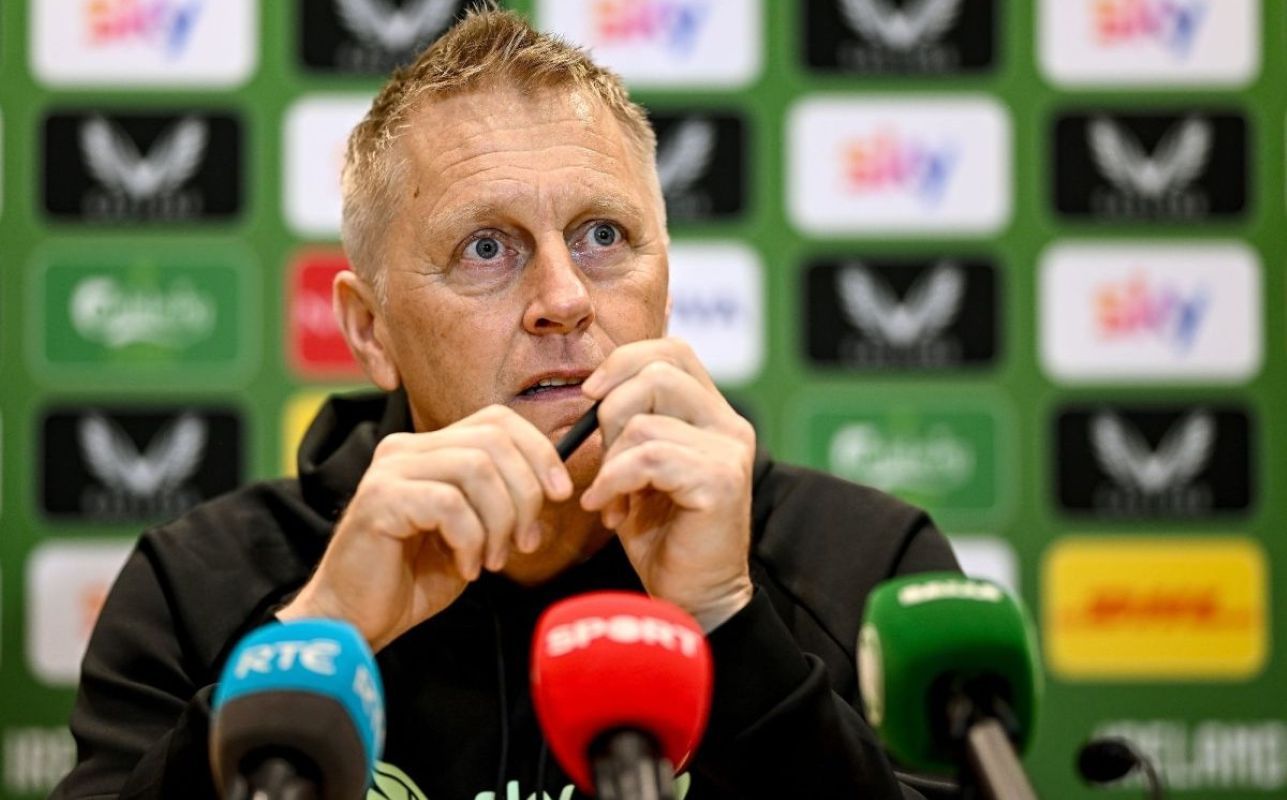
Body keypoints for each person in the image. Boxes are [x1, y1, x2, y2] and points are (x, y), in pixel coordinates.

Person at [52, 9, 959, 800]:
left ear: (665, 282)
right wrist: (321, 638)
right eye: (487, 248)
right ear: (371, 330)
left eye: (603, 235)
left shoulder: (861, 565)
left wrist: (727, 624)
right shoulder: (201, 589)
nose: (564, 298)